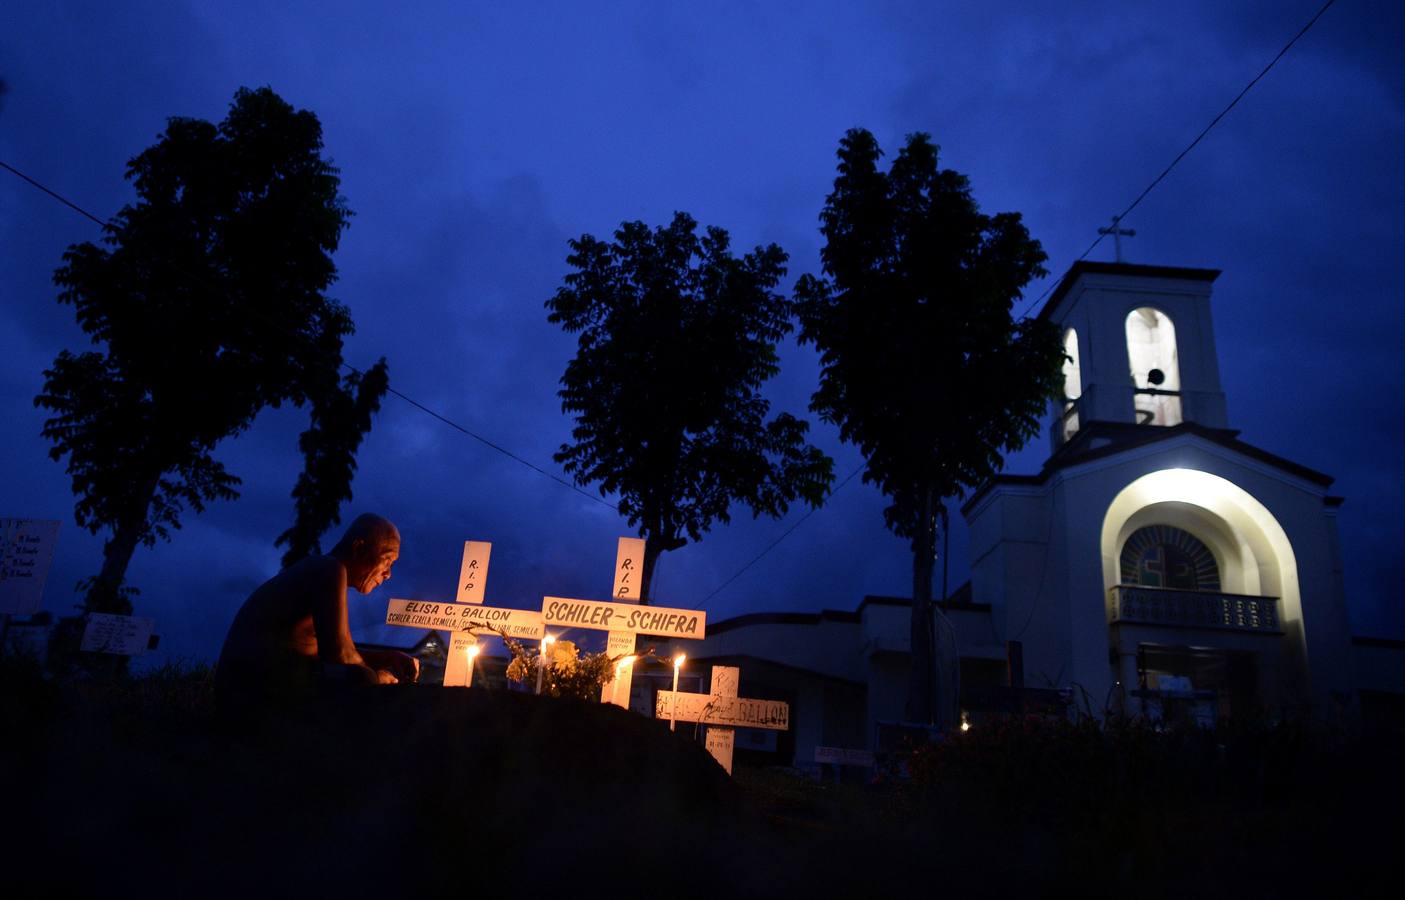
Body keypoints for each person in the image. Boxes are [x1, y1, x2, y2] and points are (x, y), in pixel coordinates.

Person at [215, 513, 419, 718]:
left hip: (249, 687)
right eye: (387, 561)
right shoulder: (329, 569)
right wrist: (379, 679)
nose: (388, 574)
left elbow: (338, 649)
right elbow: (339, 656)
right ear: (359, 548)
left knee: (357, 675)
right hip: (248, 691)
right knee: (361, 677)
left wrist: (386, 658)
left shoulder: (325, 570)